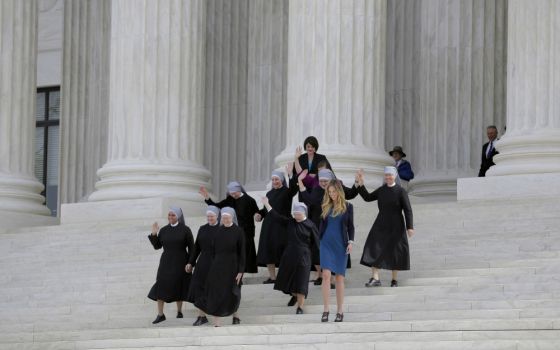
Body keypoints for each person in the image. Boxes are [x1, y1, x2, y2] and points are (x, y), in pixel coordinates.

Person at [297, 168, 359, 285]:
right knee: (321, 254)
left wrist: (356, 181)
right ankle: (324, 277)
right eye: (321, 181)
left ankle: (335, 278)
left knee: (337, 254)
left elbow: (350, 194)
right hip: (321, 225)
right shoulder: (316, 190)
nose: (323, 183)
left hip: (338, 227)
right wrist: (300, 182)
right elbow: (308, 199)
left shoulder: (338, 187)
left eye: (326, 181)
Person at [357, 166, 414, 288]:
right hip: (381, 223)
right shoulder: (381, 190)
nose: (388, 177)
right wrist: (361, 184)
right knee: (373, 247)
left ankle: (394, 280)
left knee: (395, 252)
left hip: (396, 225)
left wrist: (410, 227)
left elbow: (408, 210)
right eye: (386, 175)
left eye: (390, 175)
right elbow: (367, 197)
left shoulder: (401, 191)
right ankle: (375, 278)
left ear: (395, 176)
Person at [261, 198, 320, 314]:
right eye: (294, 213)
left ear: (303, 213)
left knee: (302, 281)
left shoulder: (310, 225)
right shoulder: (290, 222)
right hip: (289, 255)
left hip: (304, 256)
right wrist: (267, 204)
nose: (295, 215)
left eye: (297, 213)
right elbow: (276, 216)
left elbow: (317, 243)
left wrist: (319, 260)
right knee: (285, 280)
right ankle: (294, 295)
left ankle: (300, 307)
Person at [195, 207, 245, 327]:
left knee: (233, 292)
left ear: (232, 217)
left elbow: (242, 253)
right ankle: (217, 322)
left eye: (227, 217)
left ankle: (236, 316)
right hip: (217, 265)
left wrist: (241, 270)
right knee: (215, 292)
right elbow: (213, 250)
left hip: (233, 266)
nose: (225, 220)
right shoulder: (218, 231)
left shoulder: (239, 231)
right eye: (223, 217)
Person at [147, 207, 194, 324]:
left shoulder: (185, 229)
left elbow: (192, 248)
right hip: (166, 262)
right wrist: (154, 234)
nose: (171, 217)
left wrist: (190, 263)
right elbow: (157, 246)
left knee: (179, 285)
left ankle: (179, 311)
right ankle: (160, 314)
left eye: (173, 215)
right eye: (169, 215)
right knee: (161, 286)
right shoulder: (163, 230)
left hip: (181, 261)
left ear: (178, 216)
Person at [199, 182, 259, 273]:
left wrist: (257, 216)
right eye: (231, 193)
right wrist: (207, 198)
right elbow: (217, 207)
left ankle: (247, 270)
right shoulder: (230, 200)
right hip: (234, 230)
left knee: (247, 250)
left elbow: (256, 212)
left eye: (235, 193)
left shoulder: (250, 200)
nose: (233, 195)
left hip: (247, 230)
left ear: (239, 190)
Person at [318, 180, 354, 323]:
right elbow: (321, 226)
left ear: (339, 191)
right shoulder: (326, 207)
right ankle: (326, 309)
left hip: (341, 245)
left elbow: (351, 227)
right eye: (330, 192)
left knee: (339, 278)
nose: (332, 195)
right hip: (326, 243)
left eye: (334, 192)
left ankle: (340, 310)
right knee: (326, 275)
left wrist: (351, 241)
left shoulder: (348, 207)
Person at [255, 168, 299, 283]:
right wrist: (259, 214)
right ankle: (273, 277)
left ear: (282, 180)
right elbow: (266, 209)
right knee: (268, 250)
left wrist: (291, 174)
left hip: (281, 226)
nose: (274, 181)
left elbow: (294, 188)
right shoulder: (269, 193)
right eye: (273, 179)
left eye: (277, 179)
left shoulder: (287, 191)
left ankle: (284, 276)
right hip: (268, 226)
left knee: (282, 251)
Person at [186, 206, 221, 326]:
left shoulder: (222, 228)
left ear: (217, 216)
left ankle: (217, 315)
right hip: (203, 262)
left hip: (218, 261)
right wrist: (191, 262)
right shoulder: (202, 228)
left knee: (215, 288)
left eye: (212, 216)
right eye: (208, 216)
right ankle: (202, 316)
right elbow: (196, 248)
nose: (210, 218)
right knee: (199, 287)